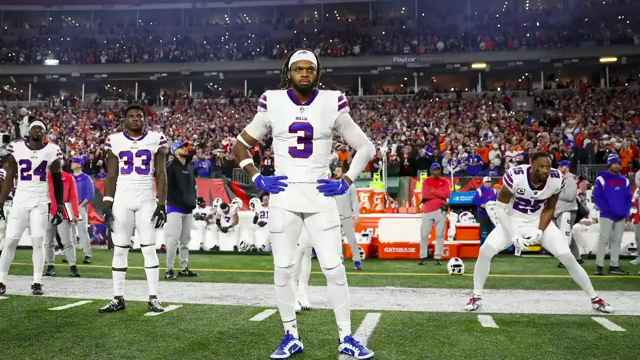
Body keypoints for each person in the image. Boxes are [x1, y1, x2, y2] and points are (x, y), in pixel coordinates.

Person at [231, 49, 376, 359]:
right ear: (289, 72)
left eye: (310, 68)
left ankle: (347, 337)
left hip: (320, 195)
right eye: (298, 69)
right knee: (283, 268)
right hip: (283, 196)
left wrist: (346, 181)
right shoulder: (272, 100)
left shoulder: (332, 100)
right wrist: (257, 178)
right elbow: (240, 144)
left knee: (334, 268)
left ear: (317, 73)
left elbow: (366, 147)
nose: (304, 73)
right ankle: (290, 335)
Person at [464, 152, 614, 314]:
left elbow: (550, 208)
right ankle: (476, 296)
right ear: (531, 164)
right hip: (512, 220)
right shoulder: (515, 176)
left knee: (568, 257)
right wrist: (513, 234)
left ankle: (595, 298)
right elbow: (500, 209)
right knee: (485, 251)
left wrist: (540, 230)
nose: (545, 170)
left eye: (548, 167)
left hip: (538, 220)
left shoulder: (556, 179)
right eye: (541, 167)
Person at [99, 104, 168, 313]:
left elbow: (161, 174)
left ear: (145, 120)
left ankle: (153, 297)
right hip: (122, 199)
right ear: (125, 120)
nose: (135, 119)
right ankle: (118, 297)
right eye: (131, 116)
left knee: (149, 248)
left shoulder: (156, 138)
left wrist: (162, 203)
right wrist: (107, 204)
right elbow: (111, 175)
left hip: (146, 199)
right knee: (119, 249)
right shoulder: (115, 140)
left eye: (139, 116)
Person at [0, 120, 67, 296]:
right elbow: (9, 177)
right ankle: (1, 280)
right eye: (34, 128)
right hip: (21, 198)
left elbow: (58, 179)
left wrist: (59, 204)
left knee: (38, 241)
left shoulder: (52, 150)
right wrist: (1, 201)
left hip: (40, 199)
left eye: (41, 128)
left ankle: (37, 281)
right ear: (29, 131)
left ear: (44, 133)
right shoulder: (17, 148)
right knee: (10, 240)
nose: (37, 130)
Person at [592, 153, 631, 276]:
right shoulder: (601, 178)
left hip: (620, 215)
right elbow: (598, 197)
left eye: (618, 163)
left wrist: (626, 211)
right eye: (614, 163)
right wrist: (608, 209)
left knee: (617, 240)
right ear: (609, 164)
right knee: (603, 239)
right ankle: (599, 265)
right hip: (607, 214)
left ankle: (614, 265)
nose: (617, 165)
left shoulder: (624, 180)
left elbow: (628, 198)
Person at [164, 141, 199, 279]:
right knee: (173, 239)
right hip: (175, 206)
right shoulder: (170, 166)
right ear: (174, 150)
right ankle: (169, 268)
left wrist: (193, 199)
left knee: (185, 240)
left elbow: (192, 186)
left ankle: (184, 267)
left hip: (187, 207)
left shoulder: (189, 167)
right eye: (182, 147)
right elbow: (167, 186)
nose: (186, 149)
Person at [44, 166, 81, 277]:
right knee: (48, 241)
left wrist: (75, 213)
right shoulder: (46, 177)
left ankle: (73, 266)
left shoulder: (68, 178)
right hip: (47, 210)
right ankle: (50, 266)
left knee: (67, 241)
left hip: (62, 211)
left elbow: (73, 196)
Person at [419, 163, 451, 265]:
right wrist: (439, 194)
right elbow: (425, 194)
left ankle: (437, 257)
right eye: (435, 169)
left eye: (438, 169)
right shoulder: (426, 181)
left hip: (441, 210)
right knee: (424, 234)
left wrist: (434, 191)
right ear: (431, 170)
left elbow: (447, 194)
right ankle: (423, 257)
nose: (437, 171)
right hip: (428, 210)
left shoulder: (445, 181)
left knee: (440, 235)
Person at [333, 165, 362, 270]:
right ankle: (339, 260)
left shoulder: (350, 186)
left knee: (352, 240)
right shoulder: (332, 185)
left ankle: (357, 260)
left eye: (338, 171)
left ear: (343, 173)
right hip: (334, 217)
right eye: (335, 171)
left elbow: (355, 202)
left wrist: (356, 216)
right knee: (336, 241)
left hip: (346, 216)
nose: (335, 172)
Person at [554, 160, 582, 268]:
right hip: (563, 211)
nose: (559, 168)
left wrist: (556, 193)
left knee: (565, 235)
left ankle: (566, 259)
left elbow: (570, 197)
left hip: (568, 211)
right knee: (568, 234)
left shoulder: (570, 180)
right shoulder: (562, 179)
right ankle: (577, 257)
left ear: (567, 167)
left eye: (561, 167)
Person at [71, 157, 95, 264]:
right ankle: (71, 255)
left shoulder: (86, 178)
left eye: (74, 162)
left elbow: (90, 194)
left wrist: (80, 206)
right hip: (69, 207)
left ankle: (87, 254)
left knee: (82, 231)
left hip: (80, 207)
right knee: (70, 232)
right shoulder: (69, 177)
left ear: (79, 165)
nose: (72, 164)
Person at [472, 176, 497, 245]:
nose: (488, 183)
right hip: (482, 213)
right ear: (484, 183)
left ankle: (490, 246)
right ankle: (478, 245)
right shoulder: (479, 190)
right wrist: (481, 204)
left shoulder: (494, 191)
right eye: (487, 182)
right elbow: (474, 200)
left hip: (491, 214)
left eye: (489, 182)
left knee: (491, 230)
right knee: (480, 230)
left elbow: (496, 200)